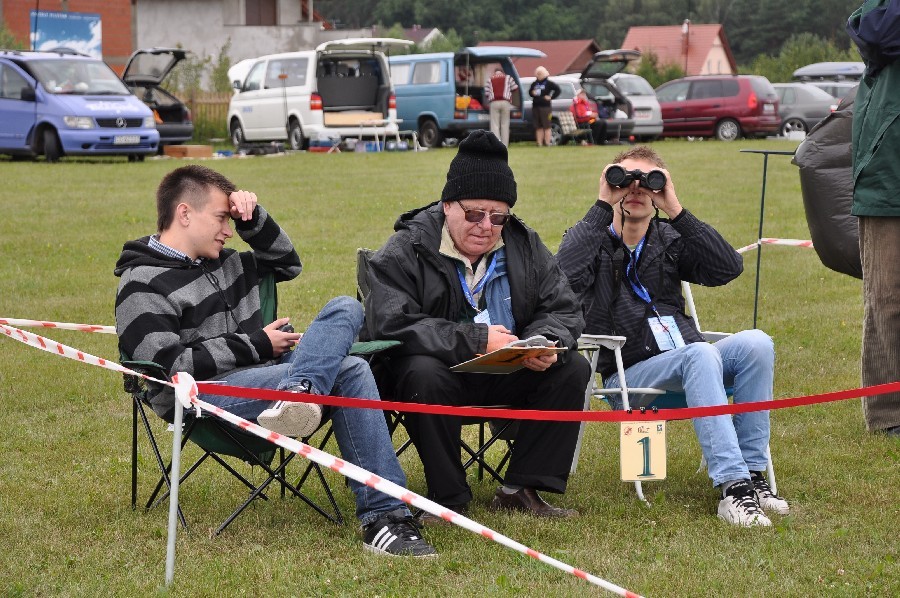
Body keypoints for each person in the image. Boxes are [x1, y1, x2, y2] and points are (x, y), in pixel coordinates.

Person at [114, 165, 436, 557]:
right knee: (350, 370)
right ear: (184, 213)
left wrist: (251, 218)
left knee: (346, 308)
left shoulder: (230, 262)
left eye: (230, 220)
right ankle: (385, 517)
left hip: (267, 378)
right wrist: (257, 345)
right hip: (201, 393)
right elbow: (170, 367)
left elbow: (287, 263)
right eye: (221, 218)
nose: (228, 230)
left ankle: (299, 391)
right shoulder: (141, 282)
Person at [556, 146, 790, 527]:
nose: (636, 189)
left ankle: (753, 475)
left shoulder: (669, 239)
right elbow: (560, 280)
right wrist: (601, 206)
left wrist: (677, 210)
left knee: (757, 343)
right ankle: (733, 488)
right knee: (700, 354)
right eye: (626, 179)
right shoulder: (591, 241)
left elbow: (729, 267)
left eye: (648, 182)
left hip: (692, 365)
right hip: (628, 375)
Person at [363, 130, 590, 520]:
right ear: (447, 205)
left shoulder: (525, 244)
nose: (486, 225)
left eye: (498, 216)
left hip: (508, 368)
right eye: (474, 214)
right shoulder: (407, 247)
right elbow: (389, 322)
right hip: (437, 375)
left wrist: (542, 342)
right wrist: (476, 339)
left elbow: (563, 308)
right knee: (422, 373)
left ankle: (522, 488)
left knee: (572, 367)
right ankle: (447, 497)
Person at [847, 0, 900, 437]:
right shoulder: (881, 13)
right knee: (887, 298)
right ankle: (889, 414)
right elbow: (876, 32)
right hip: (888, 177)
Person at [484, 67, 518, 146]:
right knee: (505, 124)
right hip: (505, 102)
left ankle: (496, 144)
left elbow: (486, 93)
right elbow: (515, 88)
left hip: (494, 102)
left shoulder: (490, 79)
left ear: (495, 72)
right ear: (502, 72)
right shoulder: (508, 78)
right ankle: (504, 144)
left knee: (494, 124)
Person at [529, 66, 561, 146]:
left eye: (540, 73)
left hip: (545, 107)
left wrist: (551, 97)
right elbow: (530, 92)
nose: (538, 75)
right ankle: (539, 143)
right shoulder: (534, 83)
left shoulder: (549, 83)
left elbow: (558, 90)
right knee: (538, 126)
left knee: (547, 125)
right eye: (537, 73)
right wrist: (532, 93)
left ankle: (547, 142)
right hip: (536, 106)